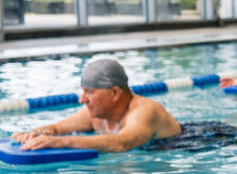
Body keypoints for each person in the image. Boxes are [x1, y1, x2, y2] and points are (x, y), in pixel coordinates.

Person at [11, 58, 181, 153]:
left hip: (189, 143)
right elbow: (56, 128)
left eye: (89, 92)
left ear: (114, 93)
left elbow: (122, 143)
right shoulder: (96, 114)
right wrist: (34, 134)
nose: (83, 100)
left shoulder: (145, 111)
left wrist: (61, 142)